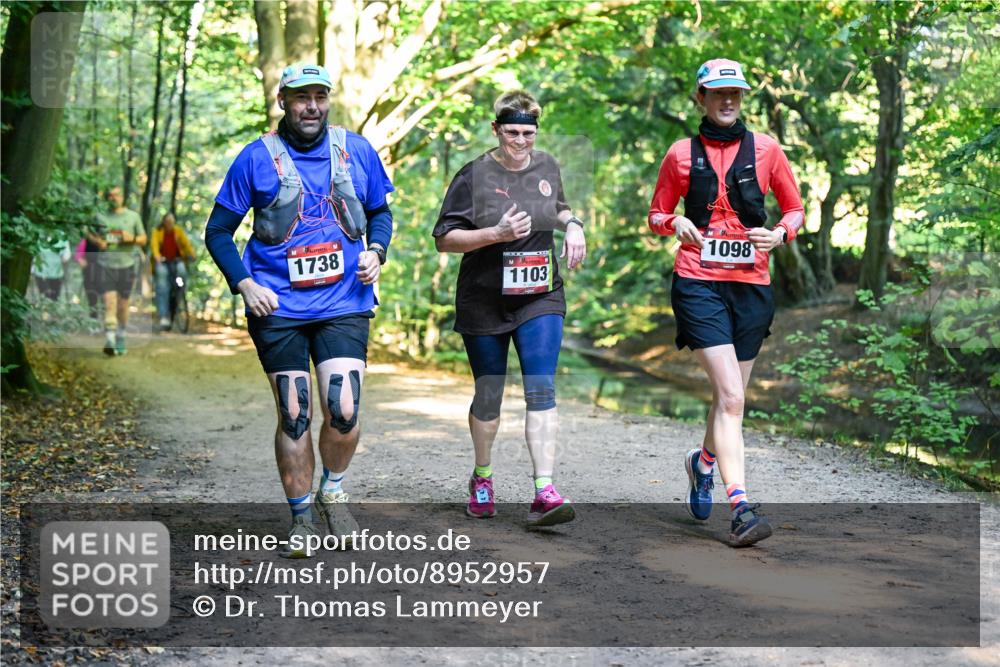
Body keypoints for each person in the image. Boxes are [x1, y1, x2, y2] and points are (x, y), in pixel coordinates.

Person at [205, 63, 394, 558]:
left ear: (328, 100)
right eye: (300, 97)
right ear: (283, 102)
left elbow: (381, 211)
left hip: (344, 299)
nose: (311, 106)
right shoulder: (255, 159)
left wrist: (376, 250)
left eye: (319, 96)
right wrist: (243, 283)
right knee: (294, 413)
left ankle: (333, 491)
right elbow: (217, 232)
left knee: (344, 408)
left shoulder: (356, 151)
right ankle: (301, 517)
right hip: (277, 304)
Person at [648, 59, 804, 547]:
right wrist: (675, 224)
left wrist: (779, 233)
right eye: (718, 93)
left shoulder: (767, 150)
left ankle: (704, 463)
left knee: (728, 398)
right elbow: (656, 213)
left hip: (752, 287)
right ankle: (741, 508)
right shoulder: (679, 154)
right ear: (701, 98)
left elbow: (794, 208)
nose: (728, 100)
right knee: (734, 398)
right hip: (697, 282)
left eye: (735, 92)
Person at [433, 90, 586, 528]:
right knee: (489, 395)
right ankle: (482, 476)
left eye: (529, 133)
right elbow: (445, 239)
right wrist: (495, 234)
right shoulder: (473, 175)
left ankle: (544, 490)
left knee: (541, 387)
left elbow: (556, 208)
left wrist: (572, 224)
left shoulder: (547, 166)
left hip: (539, 295)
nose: (521, 141)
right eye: (513, 132)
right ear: (496, 129)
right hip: (484, 298)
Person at [86, 187, 146, 356]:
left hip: (127, 266)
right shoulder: (100, 216)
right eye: (110, 195)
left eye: (116, 195)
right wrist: (98, 241)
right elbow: (88, 231)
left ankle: (121, 335)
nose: (113, 198)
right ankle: (110, 340)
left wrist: (132, 238)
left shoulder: (133, 217)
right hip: (105, 265)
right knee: (109, 302)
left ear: (122, 197)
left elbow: (143, 239)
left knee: (123, 305)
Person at [150, 212, 196, 329]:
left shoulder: (178, 231)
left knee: (182, 272)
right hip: (162, 261)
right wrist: (157, 257)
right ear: (164, 222)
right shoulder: (157, 232)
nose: (170, 224)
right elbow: (154, 246)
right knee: (162, 283)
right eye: (168, 222)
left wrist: (191, 254)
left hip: (176, 261)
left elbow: (186, 245)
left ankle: (180, 294)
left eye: (172, 222)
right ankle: (163, 315)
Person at [32, 237, 72, 301]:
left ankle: (52, 309)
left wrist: (64, 258)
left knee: (55, 298)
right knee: (45, 297)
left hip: (57, 273)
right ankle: (45, 309)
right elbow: (33, 253)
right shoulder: (39, 234)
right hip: (41, 273)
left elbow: (67, 254)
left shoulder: (62, 235)